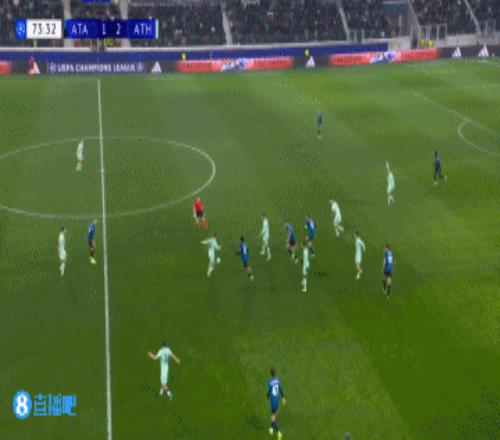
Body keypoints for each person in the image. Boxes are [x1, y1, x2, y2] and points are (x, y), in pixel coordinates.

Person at [267, 368, 286, 439]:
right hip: (277, 401)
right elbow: (280, 389)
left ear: (270, 374)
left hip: (273, 402)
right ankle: (271, 428)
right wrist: (283, 397)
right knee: (273, 415)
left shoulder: (270, 382)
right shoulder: (277, 380)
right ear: (275, 373)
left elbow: (269, 391)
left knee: (273, 417)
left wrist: (267, 396)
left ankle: (278, 432)